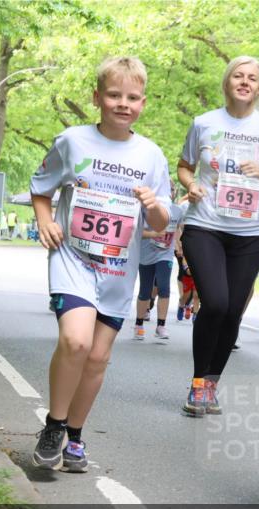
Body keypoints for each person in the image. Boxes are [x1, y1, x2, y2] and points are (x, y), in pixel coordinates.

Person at [29, 56, 171, 472]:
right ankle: (54, 426)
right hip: (73, 258)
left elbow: (161, 222)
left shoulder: (151, 155)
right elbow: (41, 189)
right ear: (97, 98)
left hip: (117, 270)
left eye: (132, 97)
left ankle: (74, 436)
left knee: (97, 357)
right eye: (114, 95)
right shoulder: (72, 141)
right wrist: (44, 220)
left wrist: (153, 205)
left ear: (143, 103)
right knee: (76, 341)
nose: (123, 104)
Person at [177, 55, 259, 416]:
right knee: (215, 302)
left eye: (252, 78)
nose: (245, 82)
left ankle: (210, 384)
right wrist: (191, 185)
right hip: (205, 225)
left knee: (231, 313)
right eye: (238, 76)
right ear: (227, 82)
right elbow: (184, 167)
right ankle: (198, 383)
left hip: (250, 233)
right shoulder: (204, 123)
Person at [135, 187, 187, 341]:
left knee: (164, 288)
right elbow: (137, 231)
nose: (170, 191)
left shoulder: (177, 211)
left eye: (172, 189)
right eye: (167, 188)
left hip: (165, 254)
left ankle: (161, 326)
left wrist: (179, 246)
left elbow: (177, 230)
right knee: (145, 290)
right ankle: (139, 324)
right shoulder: (146, 208)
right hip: (146, 253)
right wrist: (154, 234)